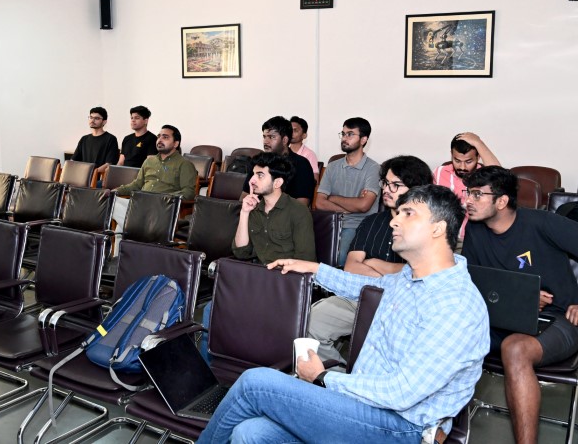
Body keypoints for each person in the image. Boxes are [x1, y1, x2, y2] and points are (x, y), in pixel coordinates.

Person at [197, 185, 489, 444]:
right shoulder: (410, 278)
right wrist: (313, 268)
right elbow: (364, 286)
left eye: (408, 213)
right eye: (398, 212)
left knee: (255, 384)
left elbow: (401, 393)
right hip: (363, 407)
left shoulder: (455, 305)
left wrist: (323, 376)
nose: (394, 220)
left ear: (438, 228)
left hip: (402, 428)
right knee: (250, 433)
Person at [461, 166, 578, 444]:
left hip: (557, 321)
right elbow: (474, 281)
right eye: (468, 192)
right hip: (501, 318)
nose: (468, 200)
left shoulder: (542, 223)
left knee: (515, 349)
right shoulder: (475, 230)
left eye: (477, 194)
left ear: (502, 201)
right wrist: (519, 297)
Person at [310, 155, 433, 363]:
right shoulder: (371, 222)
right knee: (314, 319)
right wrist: (393, 272)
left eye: (395, 185)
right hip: (359, 296)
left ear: (416, 190)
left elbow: (419, 273)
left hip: (404, 305)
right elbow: (351, 267)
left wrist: (373, 263)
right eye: (385, 183)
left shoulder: (428, 228)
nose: (386, 189)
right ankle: (336, 374)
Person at [201, 152, 316, 363]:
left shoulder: (298, 212)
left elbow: (306, 262)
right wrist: (244, 213)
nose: (252, 180)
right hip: (256, 278)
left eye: (260, 175)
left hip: (284, 285)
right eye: (253, 174)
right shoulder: (254, 208)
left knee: (249, 314)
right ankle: (212, 367)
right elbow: (241, 252)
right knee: (211, 309)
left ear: (278, 182)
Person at [315, 117, 381, 266]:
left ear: (363, 140)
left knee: (339, 258)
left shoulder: (373, 168)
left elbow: (363, 206)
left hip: (357, 225)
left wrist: (332, 198)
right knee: (307, 252)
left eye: (350, 134)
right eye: (343, 134)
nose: (344, 138)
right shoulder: (333, 166)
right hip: (330, 223)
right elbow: (319, 203)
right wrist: (350, 207)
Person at [112, 125, 197, 239]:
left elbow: (189, 192)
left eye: (165, 137)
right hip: (140, 204)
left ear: (176, 144)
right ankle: (138, 229)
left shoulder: (184, 164)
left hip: (161, 208)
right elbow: (137, 184)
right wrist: (117, 190)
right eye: (159, 136)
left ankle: (133, 229)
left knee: (121, 228)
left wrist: (165, 198)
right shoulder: (149, 161)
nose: (160, 140)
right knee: (111, 200)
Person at [433, 132, 500, 245]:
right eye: (457, 161)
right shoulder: (439, 172)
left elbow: (500, 176)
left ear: (478, 157)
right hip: (442, 239)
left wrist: (479, 143)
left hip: (473, 240)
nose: (462, 167)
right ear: (451, 155)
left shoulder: (485, 176)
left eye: (469, 161)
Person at [241, 116, 315, 206]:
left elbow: (302, 204)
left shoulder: (301, 164)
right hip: (257, 211)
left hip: (287, 213)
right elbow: (244, 196)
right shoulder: (259, 162)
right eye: (264, 137)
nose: (266, 142)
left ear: (285, 140)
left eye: (272, 137)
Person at [71, 107, 119, 177]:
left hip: (99, 178)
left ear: (104, 121)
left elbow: (109, 164)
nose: (92, 120)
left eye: (96, 118)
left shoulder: (111, 139)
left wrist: (92, 173)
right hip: (83, 177)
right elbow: (73, 160)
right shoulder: (84, 139)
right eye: (91, 117)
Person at [290, 116, 319, 181]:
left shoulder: (309, 154)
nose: (291, 133)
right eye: (289, 130)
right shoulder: (283, 153)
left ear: (304, 135)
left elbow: (315, 181)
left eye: (295, 130)